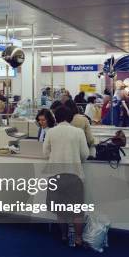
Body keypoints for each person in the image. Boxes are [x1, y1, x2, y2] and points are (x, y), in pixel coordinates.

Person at [43, 106, 90, 247]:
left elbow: (45, 153)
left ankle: (63, 236)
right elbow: (85, 154)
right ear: (71, 118)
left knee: (61, 211)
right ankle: (78, 239)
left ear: (56, 117)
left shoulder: (51, 132)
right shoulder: (78, 132)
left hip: (56, 175)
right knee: (77, 212)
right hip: (74, 175)